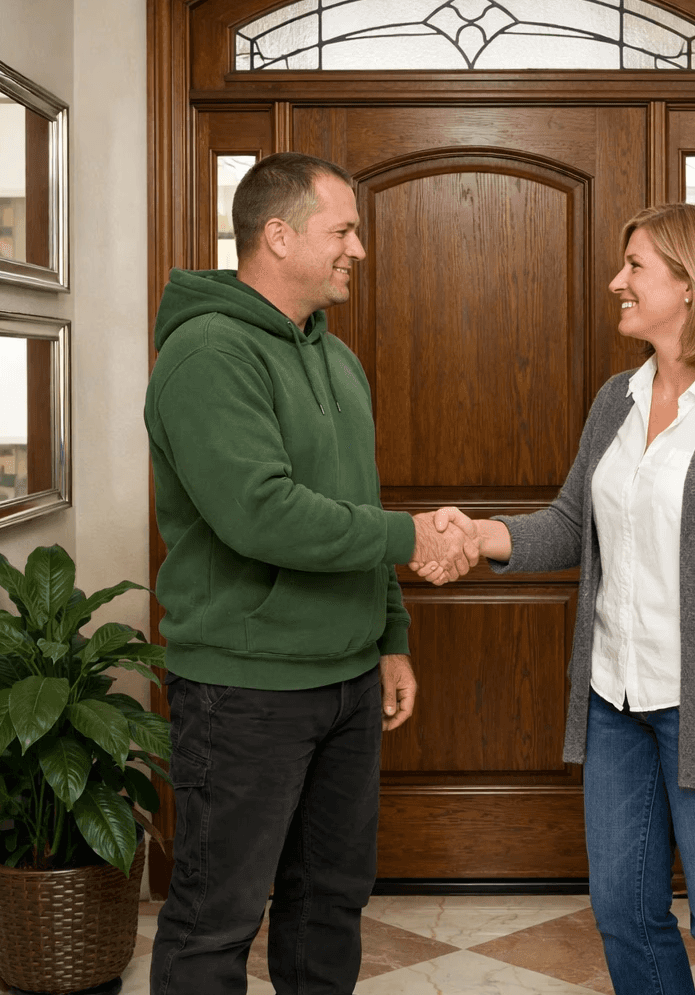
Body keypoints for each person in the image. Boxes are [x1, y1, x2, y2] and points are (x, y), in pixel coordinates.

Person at [414, 201, 695, 995]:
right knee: (624, 913)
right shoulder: (618, 399)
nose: (616, 283)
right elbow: (573, 526)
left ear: (694, 286)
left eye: (635, 267)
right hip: (614, 703)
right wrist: (477, 535)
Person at [145, 152, 477, 995]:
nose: (359, 250)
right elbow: (262, 514)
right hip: (243, 692)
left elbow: (357, 508)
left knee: (329, 902)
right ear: (278, 234)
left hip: (347, 679)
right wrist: (412, 535)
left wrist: (390, 637)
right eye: (344, 231)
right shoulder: (207, 355)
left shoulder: (337, 359)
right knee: (215, 917)